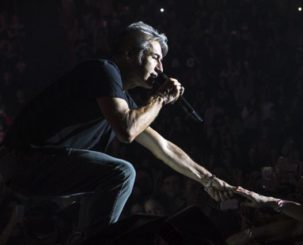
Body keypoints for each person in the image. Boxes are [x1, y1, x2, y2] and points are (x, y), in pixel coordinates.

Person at [0, 21, 233, 238]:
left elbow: (162, 147)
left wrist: (208, 180)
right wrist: (160, 98)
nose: (161, 69)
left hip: (32, 166)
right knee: (120, 173)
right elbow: (127, 129)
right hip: (24, 160)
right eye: (155, 57)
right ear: (130, 53)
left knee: (99, 193)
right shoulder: (104, 70)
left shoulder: (120, 99)